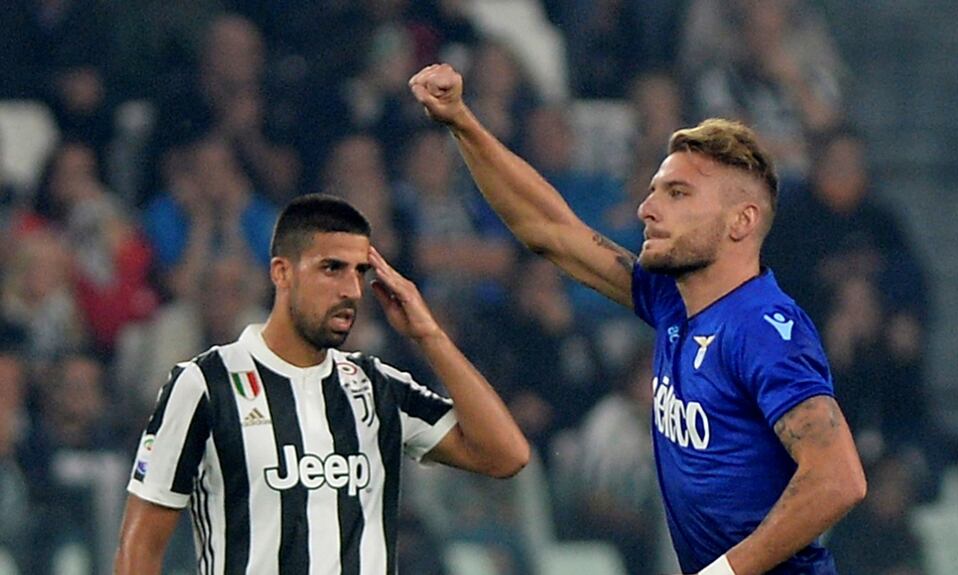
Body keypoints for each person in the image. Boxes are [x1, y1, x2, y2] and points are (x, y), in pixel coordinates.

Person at [410, 64, 866, 575]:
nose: (647, 208)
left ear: (741, 221)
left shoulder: (763, 328)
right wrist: (462, 122)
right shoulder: (674, 299)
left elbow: (837, 479)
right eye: (654, 190)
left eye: (677, 194)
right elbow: (549, 230)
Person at [114, 194, 530, 574]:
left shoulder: (378, 388)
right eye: (332, 268)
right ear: (282, 273)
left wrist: (429, 336)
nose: (351, 289)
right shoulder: (204, 385)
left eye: (360, 273)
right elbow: (140, 549)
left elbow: (505, 455)